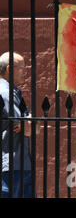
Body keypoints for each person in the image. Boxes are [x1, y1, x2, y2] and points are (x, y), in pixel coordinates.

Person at [0, 52, 33, 198]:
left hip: (18, 161)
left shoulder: (14, 92)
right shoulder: (5, 92)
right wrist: (28, 123)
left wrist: (28, 123)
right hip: (11, 164)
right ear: (9, 69)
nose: (25, 72)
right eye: (22, 68)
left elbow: (29, 126)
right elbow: (21, 122)